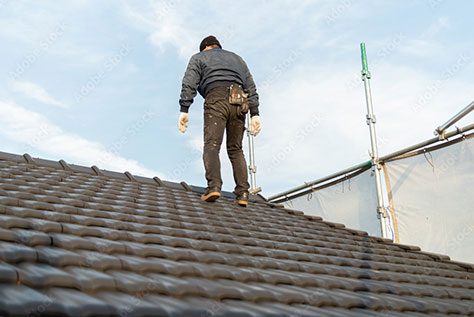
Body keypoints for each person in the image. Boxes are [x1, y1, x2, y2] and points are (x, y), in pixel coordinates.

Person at [178, 35, 261, 206]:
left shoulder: (199, 57)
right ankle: (243, 193)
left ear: (206, 47)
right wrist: (255, 113)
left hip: (216, 98)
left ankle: (214, 186)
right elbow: (250, 86)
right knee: (236, 149)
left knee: (212, 145)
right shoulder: (237, 59)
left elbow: (189, 82)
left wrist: (184, 109)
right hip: (239, 101)